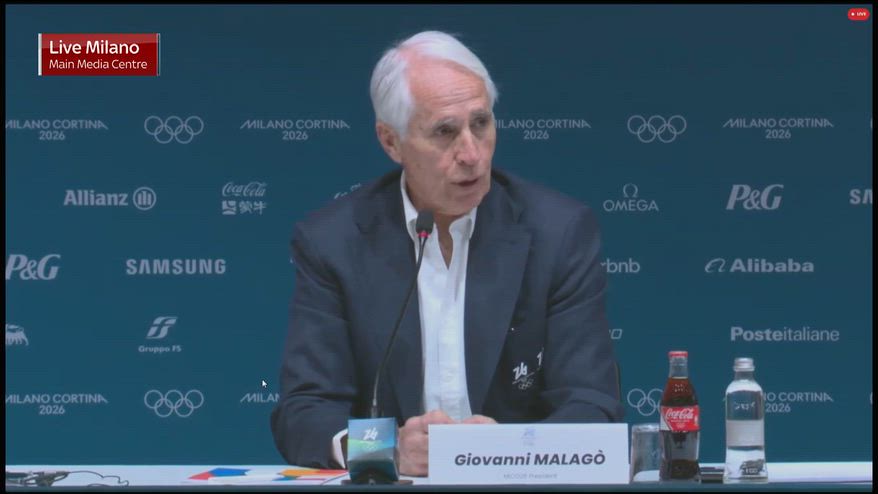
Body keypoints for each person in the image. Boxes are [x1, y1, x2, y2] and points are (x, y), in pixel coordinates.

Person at [271, 30, 623, 476]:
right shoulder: (334, 242)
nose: (471, 154)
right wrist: (383, 451)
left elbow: (592, 404)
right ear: (391, 142)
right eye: (445, 131)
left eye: (481, 123)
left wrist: (509, 451)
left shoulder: (558, 233)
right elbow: (305, 412)